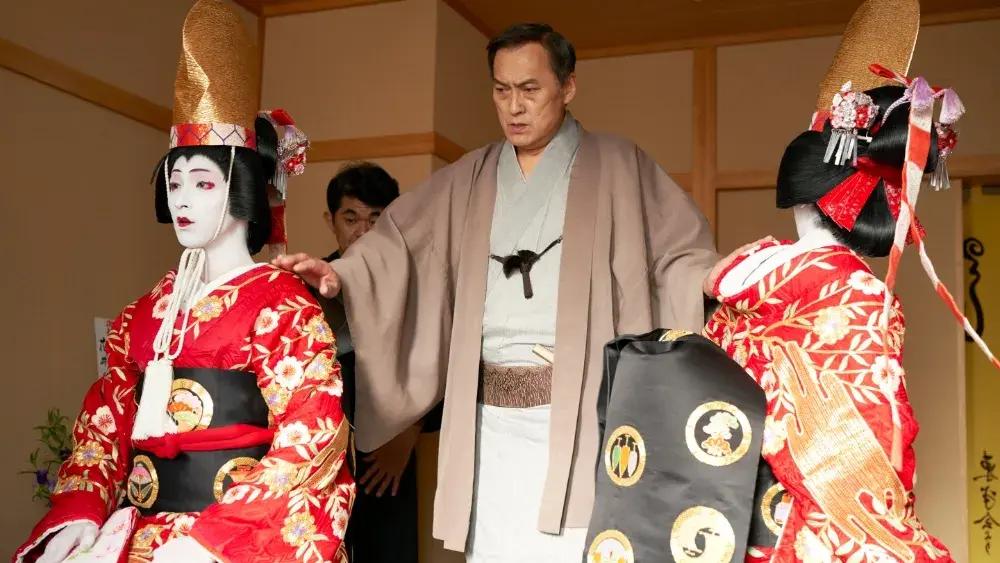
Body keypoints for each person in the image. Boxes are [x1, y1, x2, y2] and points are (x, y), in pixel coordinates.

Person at [275, 22, 721, 560]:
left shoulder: (620, 165)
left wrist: (713, 280)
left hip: (582, 411)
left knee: (576, 545)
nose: (514, 106)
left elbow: (678, 255)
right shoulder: (469, 178)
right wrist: (341, 278)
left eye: (530, 89)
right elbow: (398, 247)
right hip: (486, 417)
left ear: (568, 87)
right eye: (501, 89)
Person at [14, 2, 353, 562]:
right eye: (174, 183)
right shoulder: (143, 314)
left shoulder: (283, 308)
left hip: (228, 538)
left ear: (242, 190)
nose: (183, 200)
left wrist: (215, 540)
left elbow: (311, 431)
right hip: (144, 529)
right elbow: (106, 425)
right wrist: (82, 508)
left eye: (202, 182)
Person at [703, 0, 996, 560]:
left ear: (803, 189)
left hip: (728, 521)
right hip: (813, 532)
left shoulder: (745, 277)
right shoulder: (855, 294)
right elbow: (876, 442)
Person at [317, 162, 441, 563]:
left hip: (388, 455)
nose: (363, 231)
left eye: (376, 218)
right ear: (331, 221)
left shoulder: (417, 284)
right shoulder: (312, 284)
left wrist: (407, 437)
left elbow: (442, 362)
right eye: (351, 218)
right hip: (320, 450)